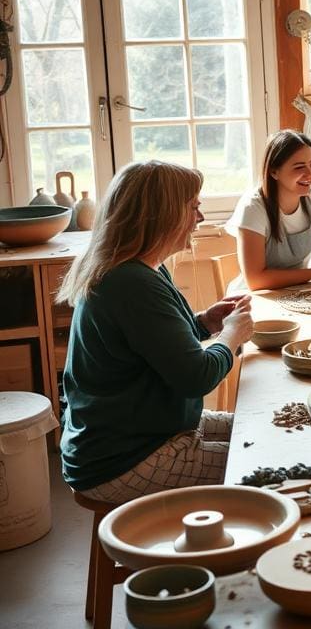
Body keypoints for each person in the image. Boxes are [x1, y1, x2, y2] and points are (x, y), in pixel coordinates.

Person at [58, 161, 254, 503]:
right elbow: (196, 377)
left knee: (262, 429)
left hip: (144, 432)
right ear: (163, 215)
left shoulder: (141, 267)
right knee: (262, 460)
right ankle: (236, 553)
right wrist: (232, 335)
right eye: (193, 208)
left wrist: (204, 322)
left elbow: (153, 344)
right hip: (123, 459)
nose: (200, 218)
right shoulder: (130, 282)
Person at [226, 130, 311, 290]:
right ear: (274, 172)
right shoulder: (253, 207)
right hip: (253, 299)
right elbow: (255, 280)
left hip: (298, 292)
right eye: (299, 167)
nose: (309, 174)